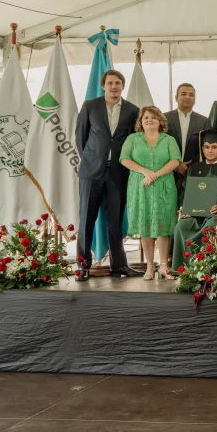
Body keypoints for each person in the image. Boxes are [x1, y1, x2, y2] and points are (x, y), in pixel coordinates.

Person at [75, 69, 142, 280]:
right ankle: (83, 266)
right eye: (110, 83)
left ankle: (119, 265)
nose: (114, 87)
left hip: (119, 172)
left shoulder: (133, 110)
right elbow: (81, 137)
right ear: (103, 86)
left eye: (118, 83)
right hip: (91, 171)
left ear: (123, 86)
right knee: (87, 218)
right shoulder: (90, 106)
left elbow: (134, 141)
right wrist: (93, 158)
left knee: (116, 220)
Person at [119, 106, 181, 280]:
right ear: (140, 121)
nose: (149, 120)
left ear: (160, 121)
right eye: (146, 117)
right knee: (145, 226)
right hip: (140, 186)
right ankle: (149, 267)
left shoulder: (168, 140)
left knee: (163, 225)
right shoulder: (133, 139)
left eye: (153, 117)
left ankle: (163, 266)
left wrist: (155, 175)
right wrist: (146, 172)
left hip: (164, 186)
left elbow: (176, 160)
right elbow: (124, 159)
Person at [171, 129, 217, 273]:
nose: (210, 151)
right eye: (206, 147)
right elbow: (185, 190)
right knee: (181, 226)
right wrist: (185, 207)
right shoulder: (194, 168)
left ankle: (207, 270)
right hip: (196, 213)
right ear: (202, 149)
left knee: (211, 225)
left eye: (214, 147)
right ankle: (183, 270)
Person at [166, 82, 208, 190]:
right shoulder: (164, 118)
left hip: (193, 172)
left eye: (191, 95)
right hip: (167, 172)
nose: (187, 97)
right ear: (176, 97)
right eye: (183, 94)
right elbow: (159, 145)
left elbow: (204, 147)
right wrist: (176, 165)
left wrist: (188, 166)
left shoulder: (203, 121)